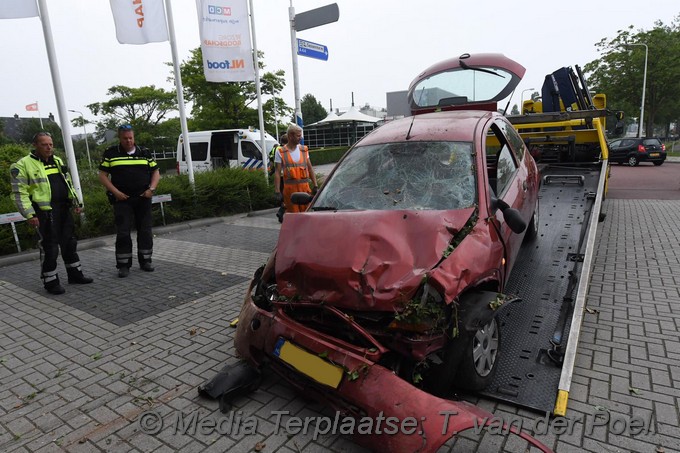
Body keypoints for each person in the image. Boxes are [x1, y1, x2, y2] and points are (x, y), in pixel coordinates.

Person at [9, 131, 93, 294]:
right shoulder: (22, 165)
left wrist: (75, 202)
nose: (49, 148)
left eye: (51, 144)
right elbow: (19, 194)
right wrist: (30, 214)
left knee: (69, 243)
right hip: (43, 213)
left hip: (63, 209)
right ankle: (51, 282)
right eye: (44, 144)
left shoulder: (57, 161)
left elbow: (67, 183)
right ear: (35, 145)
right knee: (50, 247)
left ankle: (75, 275)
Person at [98, 124, 160, 278]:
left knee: (145, 231)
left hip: (142, 198)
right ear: (120, 138)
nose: (128, 141)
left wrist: (151, 189)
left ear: (134, 137)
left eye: (131, 138)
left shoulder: (144, 152)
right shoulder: (111, 153)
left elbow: (156, 172)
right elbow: (102, 175)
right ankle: (123, 265)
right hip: (122, 200)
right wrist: (116, 192)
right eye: (125, 138)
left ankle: (146, 261)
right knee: (123, 233)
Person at [274, 124, 318, 215]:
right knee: (293, 216)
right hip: (290, 192)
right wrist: (277, 191)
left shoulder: (304, 150)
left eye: (300, 135)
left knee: (306, 215)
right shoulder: (281, 152)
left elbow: (310, 168)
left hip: (305, 190)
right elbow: (277, 172)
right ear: (290, 136)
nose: (300, 138)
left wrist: (315, 185)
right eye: (298, 135)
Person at [270, 134, 288, 223]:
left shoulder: (275, 149)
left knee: (283, 195)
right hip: (284, 175)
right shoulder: (284, 150)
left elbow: (270, 158)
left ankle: (282, 212)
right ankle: (281, 211)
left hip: (277, 174)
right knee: (288, 195)